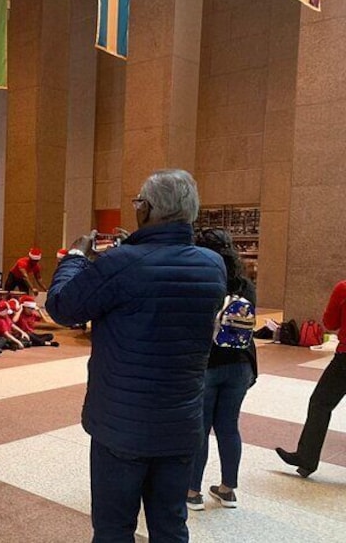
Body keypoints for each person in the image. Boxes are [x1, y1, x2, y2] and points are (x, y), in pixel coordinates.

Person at [46, 169, 227, 542]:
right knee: (170, 525)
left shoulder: (122, 264)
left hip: (122, 426)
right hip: (180, 423)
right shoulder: (212, 265)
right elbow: (161, 285)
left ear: (145, 209)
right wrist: (134, 251)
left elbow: (63, 307)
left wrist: (76, 257)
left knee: (114, 529)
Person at [187, 229, 257, 511]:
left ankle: (192, 492)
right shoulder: (245, 284)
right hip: (241, 365)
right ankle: (228, 489)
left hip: (208, 363)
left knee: (200, 429)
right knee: (229, 426)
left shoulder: (204, 280)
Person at [276, 279, 346, 478]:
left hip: (345, 360)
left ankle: (307, 458)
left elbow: (330, 323)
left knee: (320, 404)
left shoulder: (343, 288)